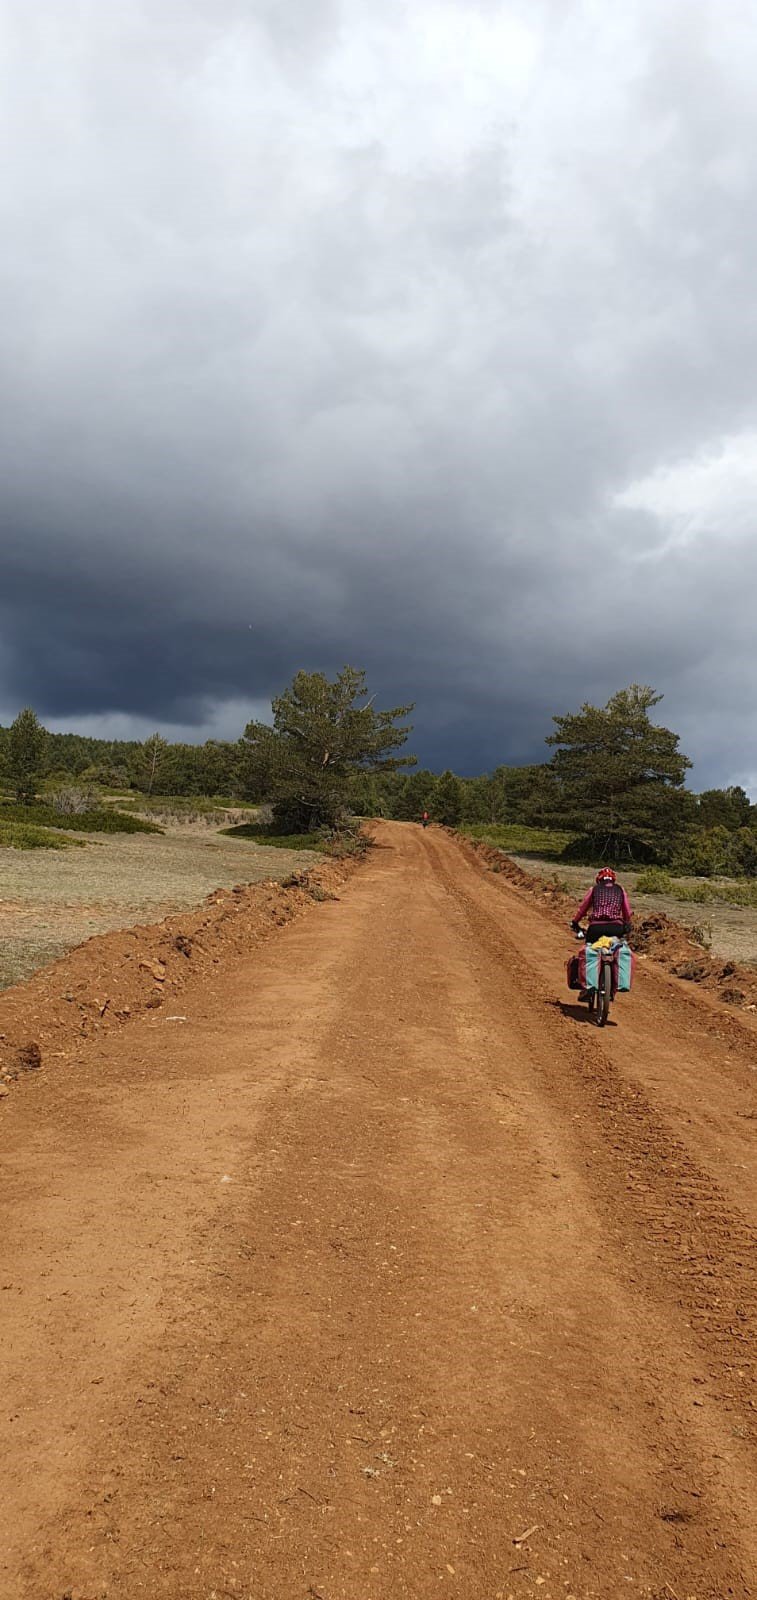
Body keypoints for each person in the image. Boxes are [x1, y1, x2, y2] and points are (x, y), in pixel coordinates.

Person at [571, 867, 632, 944]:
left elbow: (583, 909)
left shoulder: (594, 889)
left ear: (599, 879)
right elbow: (627, 911)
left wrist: (575, 922)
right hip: (616, 928)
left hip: (596, 928)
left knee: (588, 951)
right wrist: (627, 924)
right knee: (619, 950)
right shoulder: (620, 889)